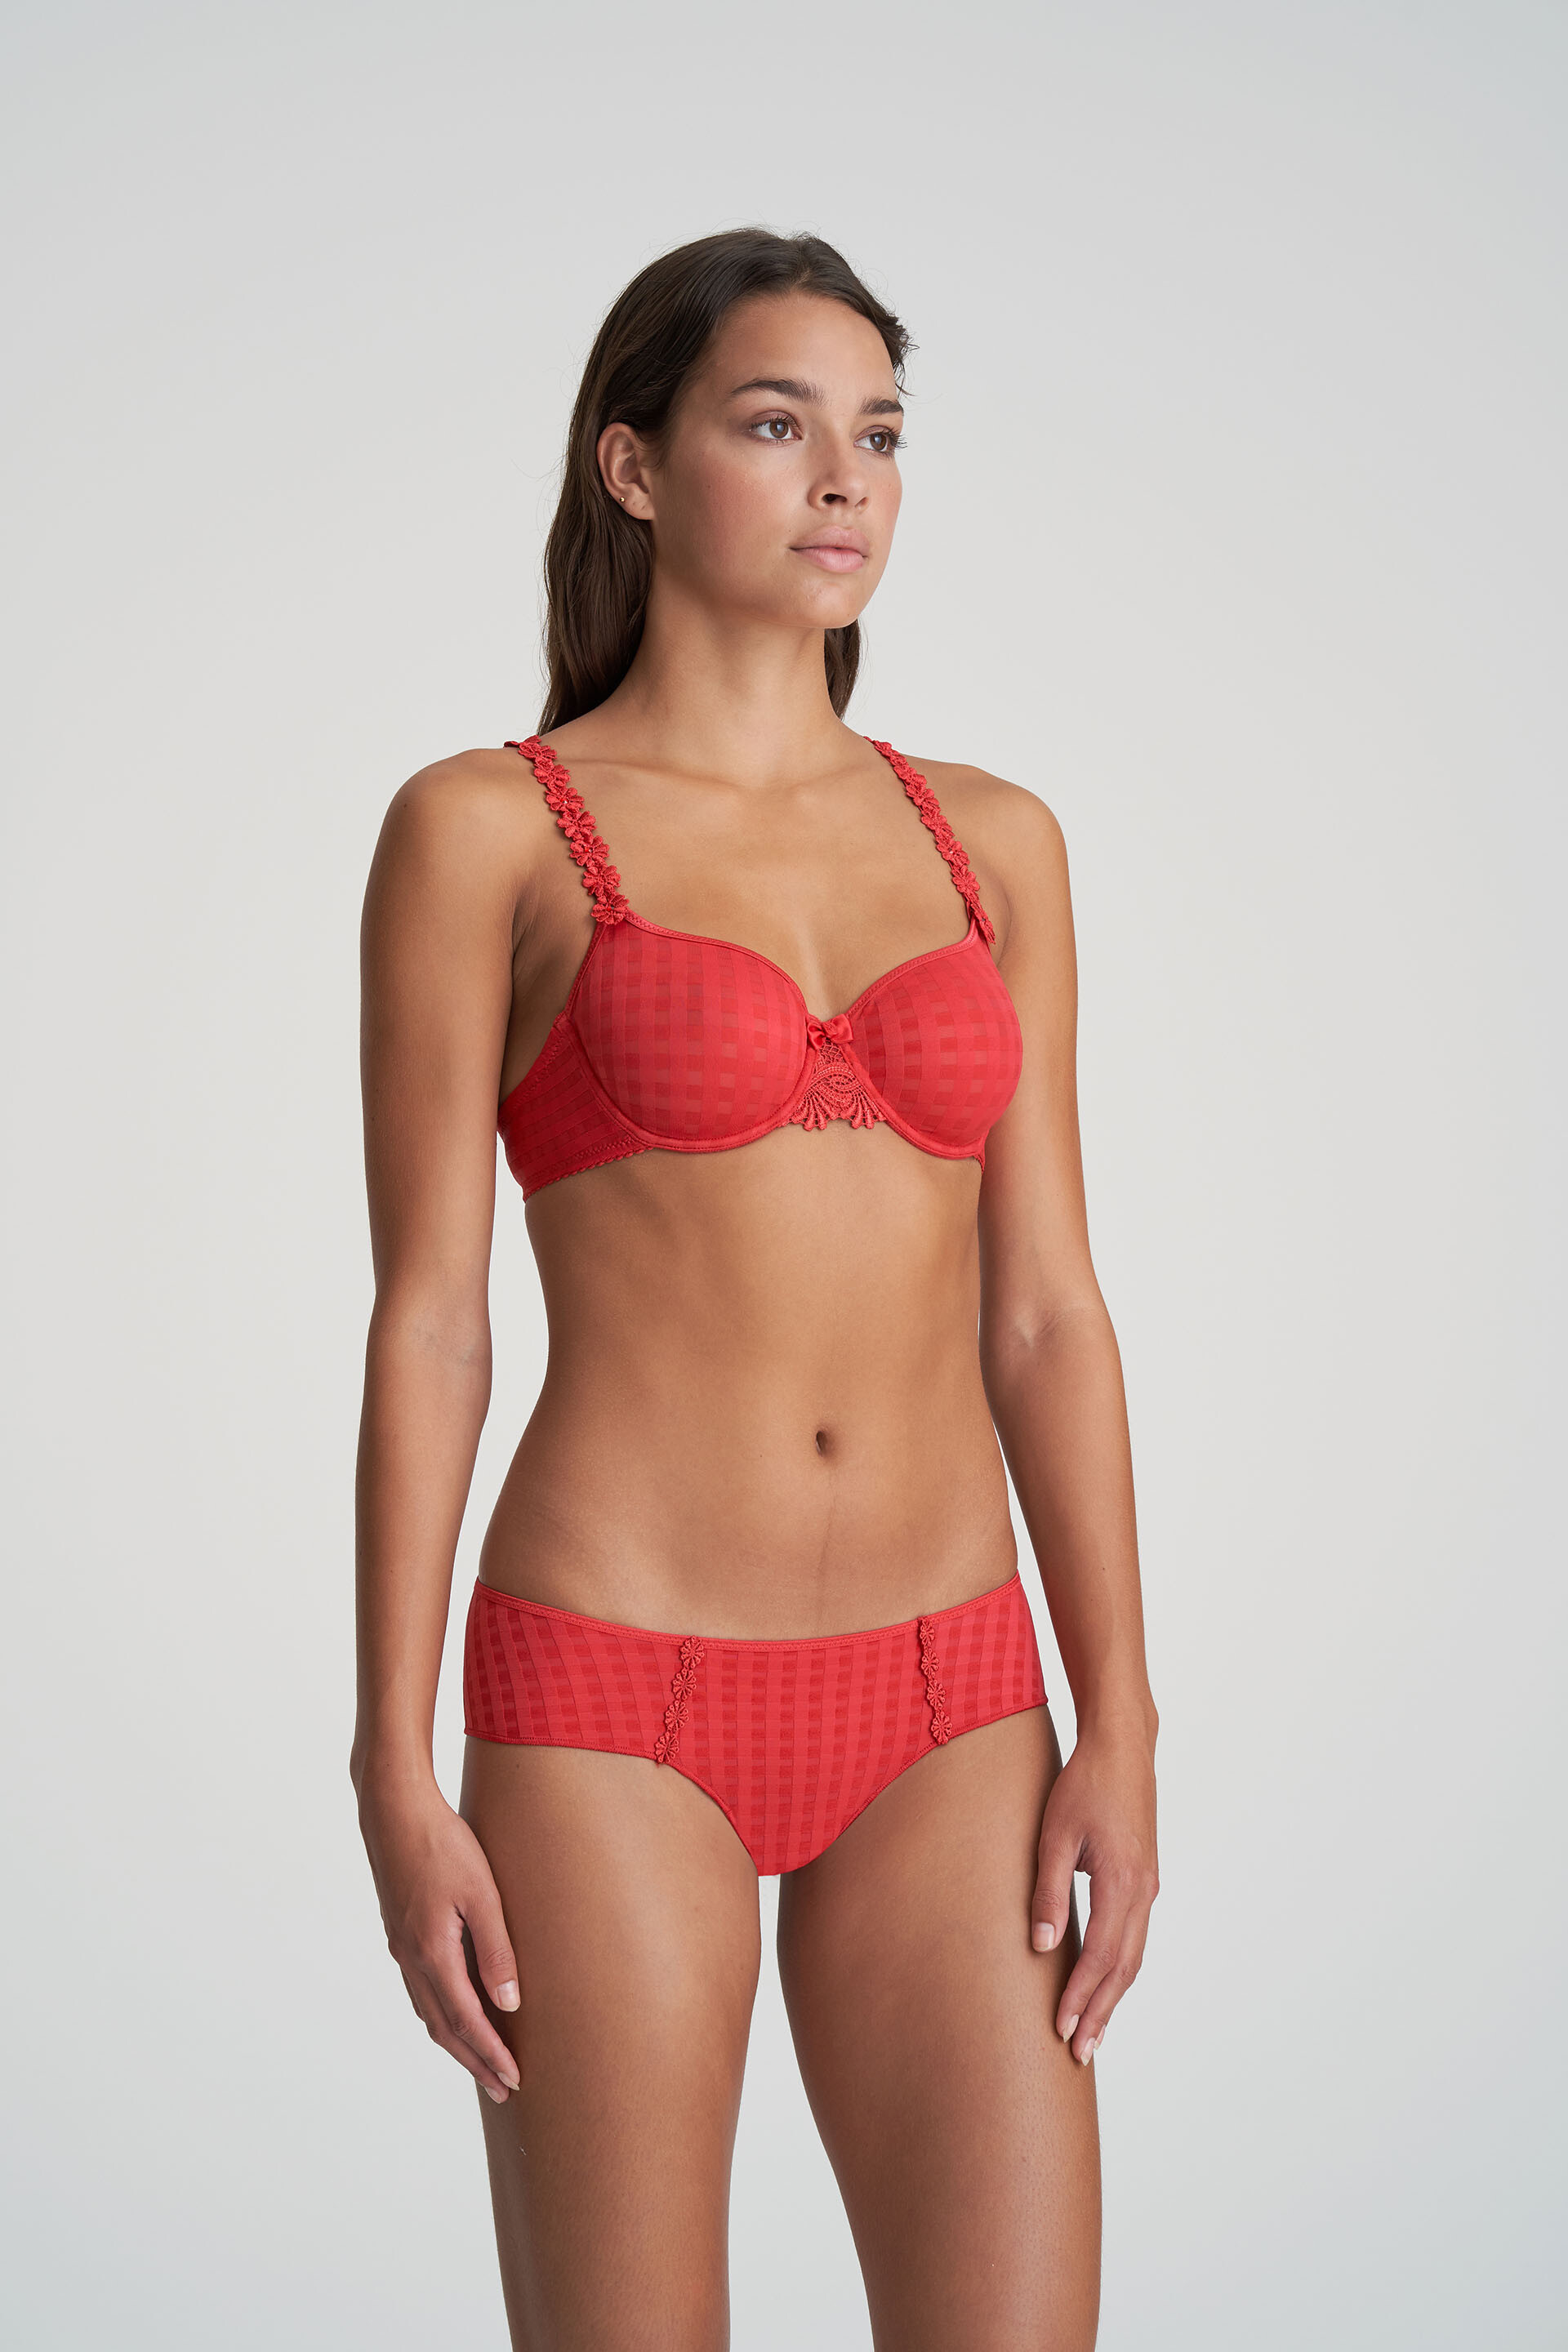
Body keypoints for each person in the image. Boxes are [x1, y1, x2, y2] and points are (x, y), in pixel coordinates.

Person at [351, 226, 1159, 2351]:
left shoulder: (995, 841)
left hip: (956, 1700)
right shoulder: (485, 831)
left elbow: (1047, 1314)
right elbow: (432, 1320)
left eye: (878, 433)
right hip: (611, 1694)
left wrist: (1123, 1716)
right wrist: (392, 1766)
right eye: (777, 424)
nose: (845, 479)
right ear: (632, 466)